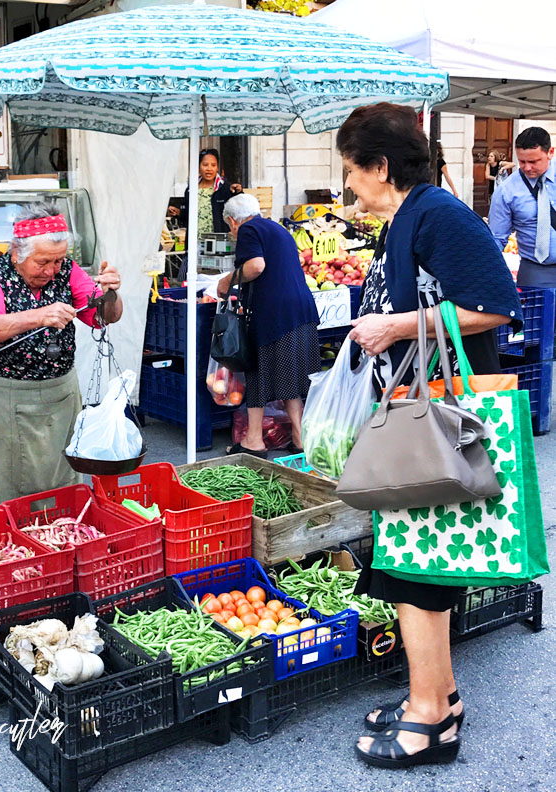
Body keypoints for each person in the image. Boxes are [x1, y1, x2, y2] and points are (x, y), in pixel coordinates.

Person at [335, 102, 523, 768]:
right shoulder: (407, 215)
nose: (349, 185)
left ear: (380, 166)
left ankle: (429, 722)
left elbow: (495, 305)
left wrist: (395, 327)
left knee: (418, 570)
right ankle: (438, 697)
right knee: (418, 563)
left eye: (353, 171)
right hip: (419, 414)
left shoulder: (437, 213)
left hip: (440, 419)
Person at [0, 201, 123, 505]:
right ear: (16, 253)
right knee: (10, 484)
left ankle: (62, 539)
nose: (52, 270)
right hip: (9, 398)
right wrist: (38, 315)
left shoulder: (69, 271)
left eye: (59, 260)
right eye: (43, 262)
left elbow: (102, 317)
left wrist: (111, 294)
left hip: (62, 393)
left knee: (65, 477)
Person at [216, 193, 321, 457]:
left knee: (258, 372)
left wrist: (225, 283)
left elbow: (256, 266)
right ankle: (299, 437)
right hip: (301, 309)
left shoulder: (248, 229)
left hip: (275, 312)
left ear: (232, 221)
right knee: (291, 376)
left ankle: (254, 440)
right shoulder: (276, 228)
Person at [489, 126, 556, 287]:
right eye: (522, 161)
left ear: (550, 153)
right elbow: (497, 238)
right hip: (536, 271)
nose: (526, 168)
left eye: (533, 161)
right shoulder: (506, 191)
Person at [168, 148, 242, 234]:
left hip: (218, 242)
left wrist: (238, 192)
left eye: (213, 165)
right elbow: (187, 217)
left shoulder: (226, 188)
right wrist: (178, 212)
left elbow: (240, 210)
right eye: (205, 165)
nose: (209, 169)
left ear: (217, 167)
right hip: (194, 242)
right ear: (199, 166)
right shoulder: (191, 190)